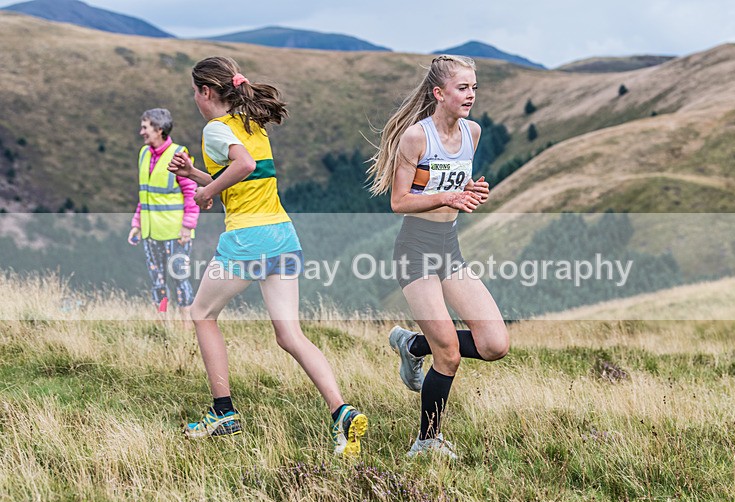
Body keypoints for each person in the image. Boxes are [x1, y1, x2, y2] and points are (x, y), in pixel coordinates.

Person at [167, 56, 367, 457]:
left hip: (248, 240)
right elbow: (244, 178)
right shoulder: (251, 125)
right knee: (289, 335)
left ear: (206, 92)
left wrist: (204, 194)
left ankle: (223, 413)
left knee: (202, 314)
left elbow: (242, 165)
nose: (194, 97)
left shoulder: (215, 129)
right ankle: (341, 413)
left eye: (195, 91)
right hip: (282, 237)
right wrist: (195, 175)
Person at [367, 55, 509, 459]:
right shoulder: (416, 137)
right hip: (414, 249)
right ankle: (427, 441)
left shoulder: (473, 132)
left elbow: (457, 183)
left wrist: (471, 192)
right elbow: (399, 201)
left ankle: (413, 345)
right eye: (463, 88)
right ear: (439, 93)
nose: (471, 95)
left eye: (474, 88)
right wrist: (446, 197)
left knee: (495, 343)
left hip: (449, 247)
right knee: (447, 350)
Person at [127, 108, 197, 328]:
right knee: (157, 281)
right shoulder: (143, 154)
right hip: (150, 232)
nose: (141, 132)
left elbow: (191, 194)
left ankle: (187, 327)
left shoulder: (179, 155)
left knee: (179, 279)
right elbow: (145, 194)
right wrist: (137, 223)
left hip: (175, 234)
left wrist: (187, 227)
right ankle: (162, 324)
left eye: (145, 127)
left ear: (159, 129)